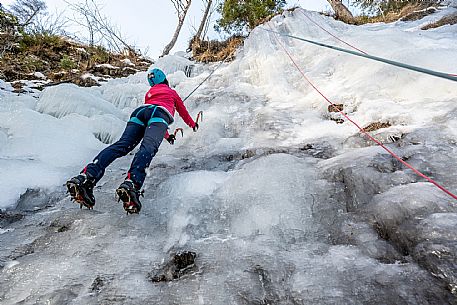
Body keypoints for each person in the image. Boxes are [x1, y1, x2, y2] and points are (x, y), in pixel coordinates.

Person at [66, 68, 198, 214]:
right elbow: (180, 111)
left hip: (140, 113)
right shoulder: (171, 92)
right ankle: (132, 183)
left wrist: (167, 136)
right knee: (148, 147)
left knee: (121, 146)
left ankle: (86, 177)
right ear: (164, 79)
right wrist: (193, 124)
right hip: (159, 114)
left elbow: (151, 121)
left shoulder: (150, 93)